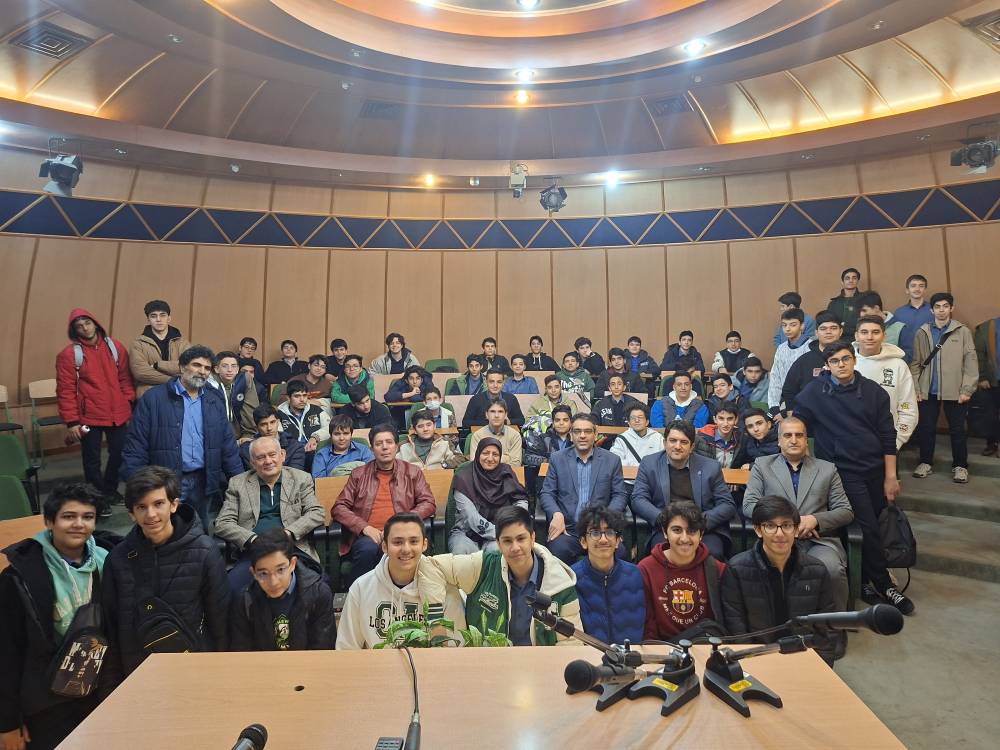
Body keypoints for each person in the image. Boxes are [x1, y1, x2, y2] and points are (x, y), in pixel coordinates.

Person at [793, 342, 914, 615]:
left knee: (876, 526)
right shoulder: (815, 391)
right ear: (827, 365)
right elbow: (797, 423)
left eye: (846, 358)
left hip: (875, 469)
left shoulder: (873, 392)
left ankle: (863, 580)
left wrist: (891, 476)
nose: (841, 364)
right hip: (843, 472)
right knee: (867, 527)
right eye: (835, 361)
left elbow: (888, 436)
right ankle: (884, 585)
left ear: (854, 360)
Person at [0, 484, 114, 750]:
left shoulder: (110, 562)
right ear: (50, 521)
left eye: (87, 517)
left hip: (98, 693)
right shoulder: (18, 578)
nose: (79, 524)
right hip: (45, 705)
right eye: (68, 516)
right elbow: (6, 653)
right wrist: (7, 722)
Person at [102, 467, 229, 684]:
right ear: (131, 513)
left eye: (158, 503)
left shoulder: (205, 551)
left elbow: (221, 622)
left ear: (174, 505)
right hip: (138, 677)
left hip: (195, 672)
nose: (151, 514)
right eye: (141, 507)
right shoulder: (117, 559)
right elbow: (112, 629)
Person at [121, 345, 243, 532]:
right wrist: (137, 486)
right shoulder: (154, 399)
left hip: (204, 480)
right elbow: (136, 444)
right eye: (196, 365)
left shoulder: (213, 401)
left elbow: (228, 445)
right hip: (166, 482)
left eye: (207, 368)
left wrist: (240, 482)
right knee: (165, 532)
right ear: (182, 367)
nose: (202, 371)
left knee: (200, 530)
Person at [743, 417, 855, 609]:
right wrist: (789, 523)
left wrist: (814, 520)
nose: (794, 440)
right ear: (779, 440)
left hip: (817, 541)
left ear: (806, 440)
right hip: (775, 539)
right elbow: (749, 505)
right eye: (788, 435)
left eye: (799, 435)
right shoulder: (762, 465)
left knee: (832, 569)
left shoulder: (827, 469)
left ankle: (835, 622)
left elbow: (845, 510)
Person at [428, 506, 580, 646]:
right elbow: (433, 565)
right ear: (498, 544)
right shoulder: (482, 565)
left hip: (539, 663)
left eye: (521, 539)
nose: (515, 547)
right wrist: (437, 621)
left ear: (533, 538)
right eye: (507, 541)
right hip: (488, 662)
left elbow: (571, 644)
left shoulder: (560, 583)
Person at [720, 496, 839, 664]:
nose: (780, 533)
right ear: (758, 530)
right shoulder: (736, 570)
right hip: (757, 659)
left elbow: (827, 629)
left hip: (804, 659)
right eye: (770, 526)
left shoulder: (817, 570)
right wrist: (751, 665)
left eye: (787, 525)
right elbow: (736, 630)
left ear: (796, 530)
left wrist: (822, 667)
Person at [337, 512, 465, 650]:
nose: (406, 549)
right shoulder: (360, 588)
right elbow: (346, 648)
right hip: (378, 664)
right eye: (397, 542)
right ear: (384, 546)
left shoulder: (445, 589)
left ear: (424, 545)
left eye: (414, 541)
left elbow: (457, 648)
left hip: (428, 664)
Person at [215, 436, 325, 593]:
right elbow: (223, 522)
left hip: (292, 548)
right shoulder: (238, 484)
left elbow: (316, 512)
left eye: (272, 455)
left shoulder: (300, 478)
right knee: (232, 589)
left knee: (315, 587)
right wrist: (251, 539)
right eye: (260, 457)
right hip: (254, 552)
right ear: (252, 462)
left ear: (282, 455)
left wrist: (289, 532)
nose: (268, 461)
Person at [331, 425, 436, 586]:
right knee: (368, 549)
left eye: (389, 442)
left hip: (401, 533)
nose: (385, 447)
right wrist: (364, 527)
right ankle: (360, 594)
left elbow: (428, 502)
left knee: (394, 547)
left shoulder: (412, 472)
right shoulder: (359, 474)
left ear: (396, 446)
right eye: (379, 443)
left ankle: (399, 593)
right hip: (368, 536)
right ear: (372, 449)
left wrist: (403, 521)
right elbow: (339, 507)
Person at [56, 308, 134, 516]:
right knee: (92, 459)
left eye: (87, 323)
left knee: (120, 453)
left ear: (95, 323)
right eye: (79, 326)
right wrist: (72, 421)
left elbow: (125, 378)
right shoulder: (69, 355)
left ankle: (109, 490)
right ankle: (97, 498)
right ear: (74, 330)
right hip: (87, 418)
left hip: (117, 413)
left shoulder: (115, 347)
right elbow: (65, 390)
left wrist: (127, 400)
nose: (84, 327)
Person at [631, 421, 736, 558]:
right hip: (666, 526)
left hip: (701, 527)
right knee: (661, 553)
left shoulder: (711, 467)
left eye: (684, 442)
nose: (677, 446)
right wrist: (663, 519)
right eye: (673, 441)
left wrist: (700, 522)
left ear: (692, 447)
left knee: (712, 553)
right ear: (665, 443)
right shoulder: (649, 464)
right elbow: (638, 499)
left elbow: (727, 504)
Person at [539, 413, 627, 564]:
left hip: (600, 529)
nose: (582, 436)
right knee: (557, 551)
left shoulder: (611, 460)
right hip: (568, 530)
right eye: (577, 431)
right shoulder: (558, 459)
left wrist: (607, 520)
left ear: (595, 434)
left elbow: (620, 495)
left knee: (620, 553)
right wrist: (556, 514)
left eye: (587, 431)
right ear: (571, 435)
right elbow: (547, 493)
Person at [910, 293, 979, 483]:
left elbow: (971, 361)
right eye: (937, 306)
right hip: (927, 390)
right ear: (932, 310)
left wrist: (967, 389)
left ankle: (960, 466)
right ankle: (925, 462)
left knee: (957, 430)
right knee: (926, 428)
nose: (941, 310)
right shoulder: (922, 332)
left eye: (945, 306)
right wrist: (916, 388)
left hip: (955, 391)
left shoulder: (962, 331)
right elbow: (916, 363)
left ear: (951, 308)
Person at [229, 529, 336, 651]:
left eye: (280, 570)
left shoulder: (318, 594)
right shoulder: (245, 600)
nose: (273, 582)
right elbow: (242, 652)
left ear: (292, 564)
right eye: (263, 573)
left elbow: (322, 649)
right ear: (253, 573)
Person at [639, 502, 727, 641]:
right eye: (677, 530)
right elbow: (647, 627)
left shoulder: (718, 570)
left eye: (691, 531)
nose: (684, 538)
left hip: (704, 647)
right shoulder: (646, 569)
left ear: (701, 534)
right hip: (663, 649)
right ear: (665, 532)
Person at [571, 508, 645, 645]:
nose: (603, 539)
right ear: (583, 542)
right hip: (588, 655)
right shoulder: (571, 579)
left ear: (618, 541)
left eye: (610, 532)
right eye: (595, 533)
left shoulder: (636, 575)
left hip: (630, 655)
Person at [449, 438, 529, 553]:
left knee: (496, 551)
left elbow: (520, 500)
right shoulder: (463, 478)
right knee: (461, 552)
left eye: (495, 454)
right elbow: (471, 517)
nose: (490, 458)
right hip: (466, 533)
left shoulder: (506, 473)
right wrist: (502, 533)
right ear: (478, 454)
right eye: (485, 453)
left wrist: (513, 523)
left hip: (502, 529)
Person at [855, 315, 918, 449]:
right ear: (856, 336)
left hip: (887, 442)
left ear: (884, 336)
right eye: (864, 332)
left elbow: (908, 407)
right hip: (848, 443)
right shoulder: (844, 363)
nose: (870, 337)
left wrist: (897, 441)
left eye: (875, 332)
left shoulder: (898, 365)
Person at [780, 310, 844, 415]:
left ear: (841, 331)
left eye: (833, 328)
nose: (828, 332)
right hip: (808, 416)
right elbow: (789, 390)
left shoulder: (849, 359)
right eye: (823, 329)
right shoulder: (804, 361)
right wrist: (792, 416)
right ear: (816, 333)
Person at [129, 299, 190, 397]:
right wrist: (174, 380)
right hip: (149, 396)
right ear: (148, 320)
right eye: (153, 316)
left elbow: (188, 367)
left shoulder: (182, 343)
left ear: (169, 318)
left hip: (177, 395)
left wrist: (157, 365)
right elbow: (141, 373)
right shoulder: (138, 343)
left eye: (162, 315)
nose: (158, 319)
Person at [767, 308, 813, 419]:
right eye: (784, 325)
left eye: (793, 325)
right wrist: (774, 407)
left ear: (802, 326)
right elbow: (775, 378)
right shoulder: (781, 348)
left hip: (805, 403)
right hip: (784, 401)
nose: (787, 329)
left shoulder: (810, 347)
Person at [277, 380, 330, 472]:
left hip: (315, 451)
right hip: (292, 454)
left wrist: (315, 437)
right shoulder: (279, 414)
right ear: (288, 398)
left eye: (304, 395)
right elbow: (278, 436)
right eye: (297, 396)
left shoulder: (316, 410)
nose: (302, 399)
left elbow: (330, 428)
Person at [206, 350, 260, 442]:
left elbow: (250, 410)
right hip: (214, 436)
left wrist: (249, 435)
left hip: (240, 435)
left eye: (234, 366)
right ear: (216, 369)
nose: (230, 370)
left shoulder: (244, 380)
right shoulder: (208, 383)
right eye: (225, 366)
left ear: (238, 369)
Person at [239, 404, 306, 472]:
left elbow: (295, 475)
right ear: (257, 427)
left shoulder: (295, 447)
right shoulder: (246, 449)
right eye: (263, 424)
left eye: (272, 422)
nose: (269, 428)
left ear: (278, 422)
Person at [610, 403, 664, 485]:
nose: (637, 420)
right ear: (628, 422)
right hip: (628, 483)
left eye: (640, 417)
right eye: (633, 418)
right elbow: (615, 462)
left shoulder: (657, 437)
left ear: (647, 422)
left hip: (652, 483)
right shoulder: (621, 439)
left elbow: (663, 460)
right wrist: (643, 467)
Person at [398, 410, 463, 470]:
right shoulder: (404, 446)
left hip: (438, 477)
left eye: (428, 425)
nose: (425, 429)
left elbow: (460, 459)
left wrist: (445, 465)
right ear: (414, 430)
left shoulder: (445, 442)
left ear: (434, 426)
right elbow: (394, 465)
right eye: (420, 426)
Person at [974, 315, 1000, 456]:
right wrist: (982, 376)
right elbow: (978, 354)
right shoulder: (986, 327)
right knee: (990, 415)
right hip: (991, 380)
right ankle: (992, 443)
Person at [893, 274, 934, 363]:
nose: (917, 289)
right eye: (913, 286)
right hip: (906, 359)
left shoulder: (934, 310)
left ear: (925, 290)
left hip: (931, 357)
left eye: (921, 286)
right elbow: (894, 337)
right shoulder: (899, 313)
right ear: (907, 290)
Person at [470, 401, 523, 467]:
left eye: (500, 411)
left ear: (506, 415)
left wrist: (487, 459)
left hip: (507, 473)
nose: (496, 415)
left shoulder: (515, 435)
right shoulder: (478, 435)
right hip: (484, 474)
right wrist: (507, 458)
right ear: (486, 415)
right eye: (492, 411)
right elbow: (475, 463)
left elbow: (516, 464)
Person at [696, 403, 742, 470]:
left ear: (736, 420)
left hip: (732, 476)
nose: (725, 424)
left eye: (730, 419)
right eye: (721, 418)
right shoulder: (701, 438)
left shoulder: (742, 439)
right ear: (715, 419)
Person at [827, 266, 864, 339]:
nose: (851, 280)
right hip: (838, 339)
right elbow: (829, 323)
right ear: (842, 282)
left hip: (860, 338)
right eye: (847, 278)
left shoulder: (865, 300)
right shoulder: (834, 303)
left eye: (854, 278)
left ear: (858, 281)